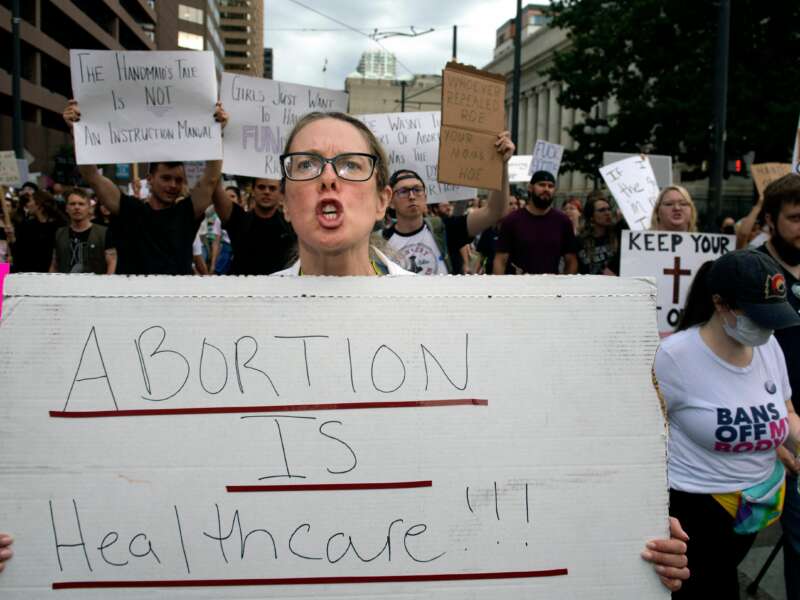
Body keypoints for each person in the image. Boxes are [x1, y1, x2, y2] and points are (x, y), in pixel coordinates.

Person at [0, 111, 692, 591]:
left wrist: (620, 526)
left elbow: (532, 460)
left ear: (382, 195)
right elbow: (136, 477)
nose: (328, 178)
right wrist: (25, 536)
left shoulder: (472, 327)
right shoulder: (212, 330)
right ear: (286, 193)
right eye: (307, 165)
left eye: (349, 165)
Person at [654, 249, 800, 599]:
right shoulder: (674, 357)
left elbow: (788, 413)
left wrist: (789, 442)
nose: (767, 328)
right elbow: (639, 438)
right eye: (758, 317)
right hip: (696, 511)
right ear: (721, 304)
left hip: (756, 506)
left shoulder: (769, 347)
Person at [62, 99, 227, 275]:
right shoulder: (129, 209)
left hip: (175, 300)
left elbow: (211, 179)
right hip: (134, 300)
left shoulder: (185, 213)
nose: (173, 185)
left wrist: (217, 132)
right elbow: (93, 176)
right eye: (166, 178)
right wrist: (76, 130)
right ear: (150, 179)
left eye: (179, 180)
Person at [757, 173, 800, 598]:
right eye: (795, 218)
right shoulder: (755, 274)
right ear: (770, 220)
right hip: (775, 429)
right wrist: (774, 436)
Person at [382, 142, 512, 275]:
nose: (411, 196)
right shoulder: (380, 242)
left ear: (425, 197)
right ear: (390, 202)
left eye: (417, 189)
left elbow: (495, 211)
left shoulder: (446, 229)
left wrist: (502, 165)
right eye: (403, 191)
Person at [493, 170, 579, 275]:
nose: (546, 189)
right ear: (530, 188)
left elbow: (571, 260)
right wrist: (499, 288)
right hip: (518, 288)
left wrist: (566, 287)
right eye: (542, 185)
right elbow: (500, 260)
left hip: (551, 288)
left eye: (550, 186)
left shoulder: (563, 221)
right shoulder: (512, 220)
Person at [213, 176, 296, 275]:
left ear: (280, 193)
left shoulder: (291, 223)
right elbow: (214, 187)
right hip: (242, 287)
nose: (266, 192)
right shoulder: (239, 219)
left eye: (272, 188)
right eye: (261, 187)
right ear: (253, 190)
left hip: (277, 287)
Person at [50, 188, 116, 274]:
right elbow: (54, 264)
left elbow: (112, 263)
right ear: (66, 208)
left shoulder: (104, 233)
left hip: (95, 285)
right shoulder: (59, 233)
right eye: (72, 204)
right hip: (65, 285)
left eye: (81, 204)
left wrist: (107, 284)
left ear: (89, 208)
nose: (77, 207)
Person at [10, 189, 66, 272]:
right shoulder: (26, 226)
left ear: (39, 205)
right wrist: (11, 239)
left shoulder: (60, 227)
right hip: (27, 274)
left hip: (51, 275)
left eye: (30, 201)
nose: (28, 204)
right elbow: (18, 253)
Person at [577, 192, 619, 275]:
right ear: (591, 217)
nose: (607, 213)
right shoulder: (579, 241)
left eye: (608, 209)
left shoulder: (618, 236)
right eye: (602, 210)